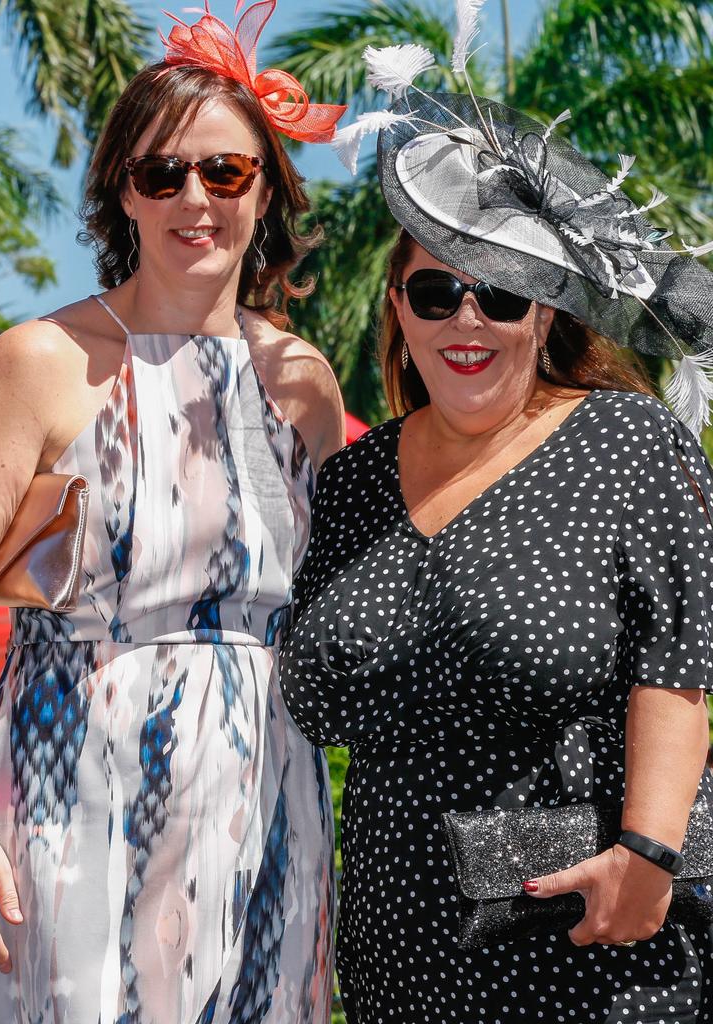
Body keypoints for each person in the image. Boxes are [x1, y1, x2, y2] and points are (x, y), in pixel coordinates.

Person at [279, 33, 713, 1024]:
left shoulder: (625, 439)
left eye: (502, 293)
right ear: (399, 309)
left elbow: (678, 670)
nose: (464, 319)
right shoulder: (348, 486)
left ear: (545, 314)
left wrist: (648, 856)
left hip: (590, 933)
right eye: (435, 292)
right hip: (399, 950)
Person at [0, 3, 346, 1021]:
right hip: (75, 792)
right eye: (160, 173)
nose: (193, 198)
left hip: (271, 801)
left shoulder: (302, 380)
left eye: (225, 171)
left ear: (268, 190)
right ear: (121, 191)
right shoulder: (39, 364)